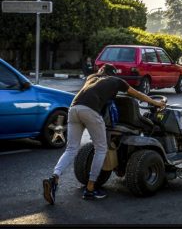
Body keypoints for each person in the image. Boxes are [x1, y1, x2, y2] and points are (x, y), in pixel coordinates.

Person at [43, 63, 165, 204]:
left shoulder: (91, 77)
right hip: (90, 111)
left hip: (73, 109)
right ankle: (90, 189)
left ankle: (54, 178)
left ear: (101, 71)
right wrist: (156, 104)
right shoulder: (116, 81)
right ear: (113, 74)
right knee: (101, 149)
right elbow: (138, 95)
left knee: (71, 149)